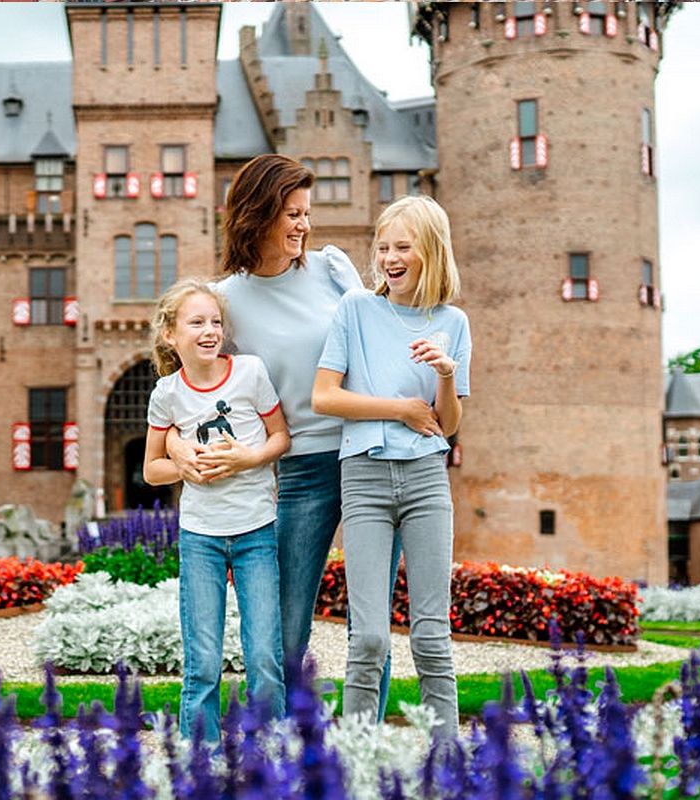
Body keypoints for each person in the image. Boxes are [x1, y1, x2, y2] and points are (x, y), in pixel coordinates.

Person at [167, 154, 419, 717]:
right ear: (256, 216)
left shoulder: (332, 268)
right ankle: (275, 754)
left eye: (307, 212)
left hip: (369, 458)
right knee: (283, 634)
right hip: (300, 468)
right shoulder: (223, 299)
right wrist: (179, 447)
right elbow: (189, 385)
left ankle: (360, 748)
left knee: (369, 626)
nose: (303, 225)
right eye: (291, 213)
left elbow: (379, 344)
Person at [311, 194, 470, 739]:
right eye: (382, 247)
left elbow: (446, 425)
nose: (389, 257)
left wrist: (446, 375)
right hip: (364, 478)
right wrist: (398, 409)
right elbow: (325, 397)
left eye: (402, 246)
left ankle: (446, 762)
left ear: (430, 251)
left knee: (431, 636)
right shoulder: (355, 309)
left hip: (427, 480)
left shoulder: (453, 322)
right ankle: (356, 760)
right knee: (370, 637)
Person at [143, 278, 292, 742]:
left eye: (215, 322)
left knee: (264, 655)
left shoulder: (250, 372)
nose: (209, 331)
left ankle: (271, 755)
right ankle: (199, 762)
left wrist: (247, 458)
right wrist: (182, 464)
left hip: (255, 532)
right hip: (201, 536)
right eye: (196, 322)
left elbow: (281, 438)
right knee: (203, 660)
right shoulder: (167, 394)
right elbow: (152, 470)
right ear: (171, 334)